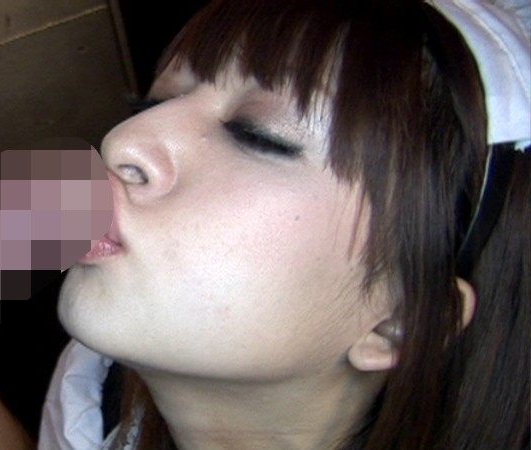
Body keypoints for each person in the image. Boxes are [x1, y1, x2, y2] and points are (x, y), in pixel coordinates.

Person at [40, 0, 530, 449]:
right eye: (153, 104)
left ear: (399, 321)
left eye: (258, 135)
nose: (122, 140)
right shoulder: (89, 396)